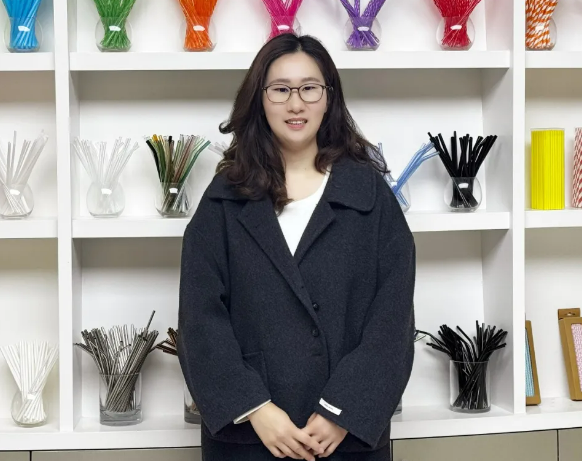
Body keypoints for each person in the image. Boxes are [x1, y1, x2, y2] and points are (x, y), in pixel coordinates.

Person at [178, 33, 416, 461]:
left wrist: (342, 411)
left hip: (346, 437)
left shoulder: (369, 194)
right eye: (280, 89)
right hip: (250, 438)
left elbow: (393, 318)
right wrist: (255, 408)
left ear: (329, 98)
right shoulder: (223, 198)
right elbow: (200, 319)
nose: (295, 104)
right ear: (260, 99)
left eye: (309, 88)